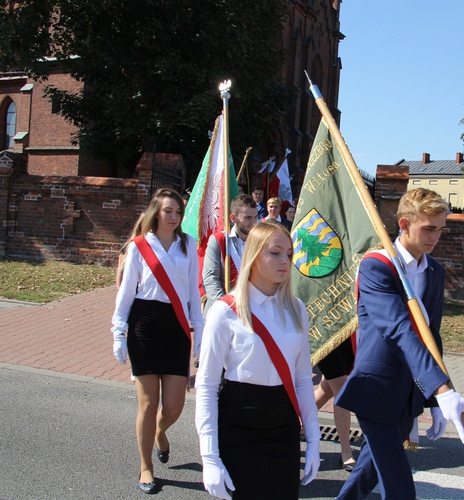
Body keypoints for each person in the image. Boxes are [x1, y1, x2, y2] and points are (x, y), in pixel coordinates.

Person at [335, 188, 464, 499]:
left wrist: (435, 401)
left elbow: (431, 337)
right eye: (429, 228)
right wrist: (441, 389)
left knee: (365, 475)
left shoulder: (434, 271)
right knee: (399, 488)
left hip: (408, 392)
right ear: (405, 224)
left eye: (440, 229)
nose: (435, 237)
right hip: (376, 388)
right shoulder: (377, 265)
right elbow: (399, 330)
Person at [195, 222, 320, 499]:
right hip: (239, 425)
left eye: (289, 254)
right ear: (253, 255)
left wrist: (313, 440)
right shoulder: (224, 311)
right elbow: (206, 386)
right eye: (275, 253)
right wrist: (210, 456)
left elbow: (302, 380)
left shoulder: (296, 309)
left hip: (283, 427)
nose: (285, 261)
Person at [111, 187, 204, 494]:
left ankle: (159, 432)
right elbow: (126, 291)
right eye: (168, 211)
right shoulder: (139, 246)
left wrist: (199, 332)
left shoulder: (187, 245)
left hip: (176, 327)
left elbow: (192, 291)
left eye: (178, 212)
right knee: (148, 403)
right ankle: (146, 467)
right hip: (145, 326)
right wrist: (118, 331)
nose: (174, 217)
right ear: (156, 213)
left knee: (175, 405)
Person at [202, 194, 259, 314]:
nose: (253, 222)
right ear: (233, 218)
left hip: (252, 311)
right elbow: (210, 277)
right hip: (223, 311)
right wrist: (225, 306)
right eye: (248, 218)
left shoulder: (260, 242)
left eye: (255, 217)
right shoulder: (219, 240)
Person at [314, 337, 357, 472]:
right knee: (340, 388)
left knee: (328, 389)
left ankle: (295, 420)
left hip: (348, 329)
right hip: (323, 330)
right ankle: (346, 451)